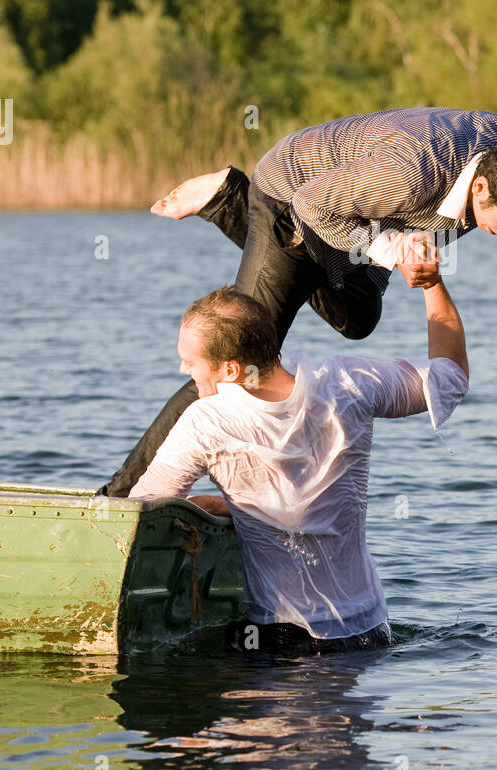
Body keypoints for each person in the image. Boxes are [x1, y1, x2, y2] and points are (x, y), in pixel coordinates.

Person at [105, 106, 497, 496]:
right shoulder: (411, 170)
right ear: (481, 186)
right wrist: (388, 248)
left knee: (358, 318)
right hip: (295, 196)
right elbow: (313, 205)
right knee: (239, 363)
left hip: (366, 213)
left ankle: (232, 205)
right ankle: (119, 499)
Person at [127, 272, 469, 657]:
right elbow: (450, 379)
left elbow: (138, 514)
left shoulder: (206, 422)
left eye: (191, 362)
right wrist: (431, 284)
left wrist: (206, 509)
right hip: (370, 632)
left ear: (231, 370)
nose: (184, 370)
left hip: (283, 642)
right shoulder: (348, 382)